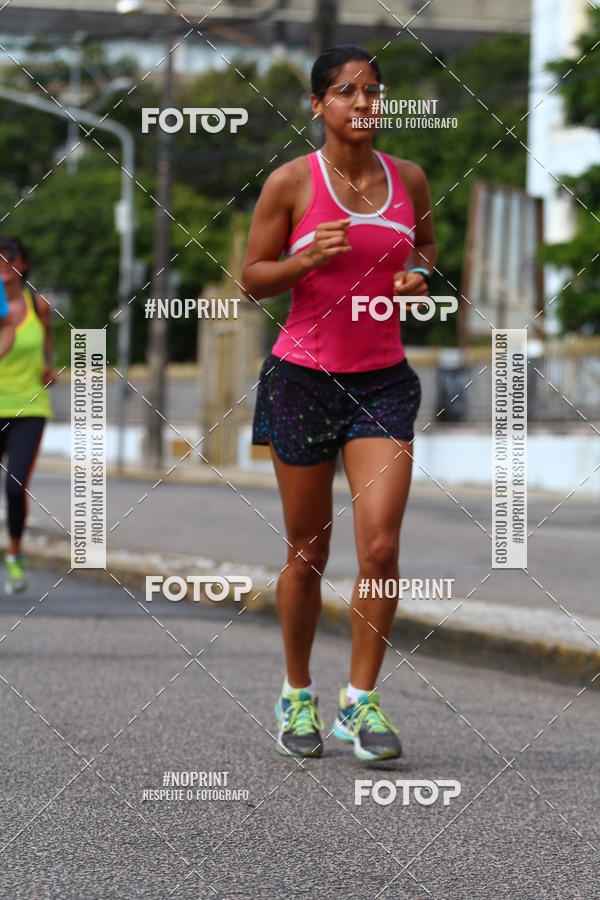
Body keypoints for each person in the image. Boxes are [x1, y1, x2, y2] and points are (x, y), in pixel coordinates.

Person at [241, 45, 437, 761]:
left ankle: (360, 703)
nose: (364, 103)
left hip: (382, 380)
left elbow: (425, 250)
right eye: (348, 92)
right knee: (307, 552)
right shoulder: (292, 182)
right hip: (302, 379)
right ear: (319, 105)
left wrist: (415, 277)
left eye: (374, 91)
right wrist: (305, 261)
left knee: (381, 545)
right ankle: (297, 694)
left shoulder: (408, 178)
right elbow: (252, 279)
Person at [0, 236, 56, 595]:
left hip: (30, 409)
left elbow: (47, 342)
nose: (3, 262)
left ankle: (16, 556)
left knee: (14, 484)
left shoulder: (40, 307)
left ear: (23, 264)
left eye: (10, 256)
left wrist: (49, 368)